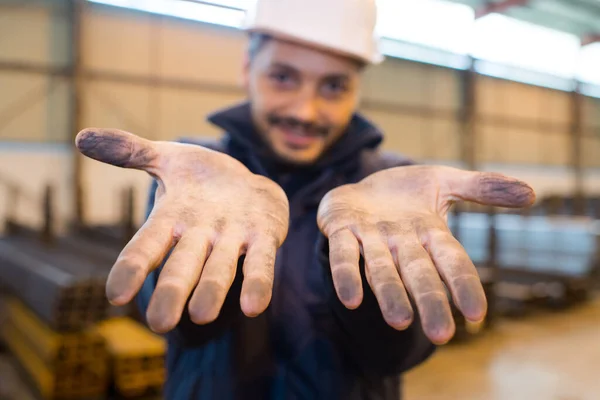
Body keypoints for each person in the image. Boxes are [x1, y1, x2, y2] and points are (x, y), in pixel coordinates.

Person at [75, 0, 535, 398]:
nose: (305, 111)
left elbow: (398, 354)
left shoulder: (395, 191)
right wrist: (228, 263)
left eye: (333, 86)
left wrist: (365, 281)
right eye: (283, 77)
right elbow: (186, 330)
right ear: (246, 69)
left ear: (357, 86)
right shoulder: (195, 177)